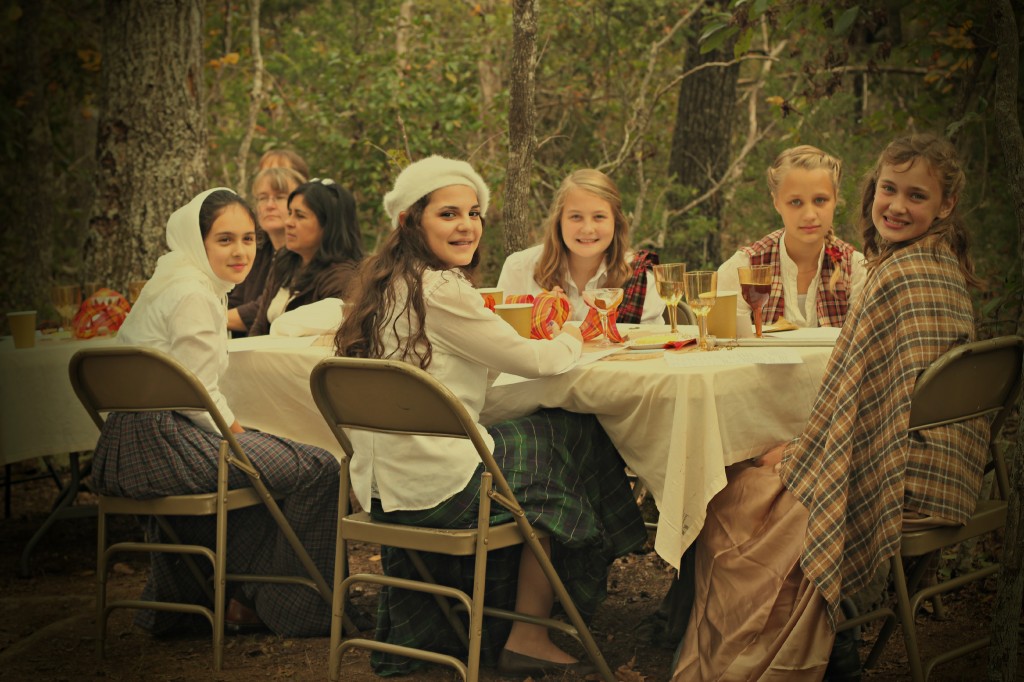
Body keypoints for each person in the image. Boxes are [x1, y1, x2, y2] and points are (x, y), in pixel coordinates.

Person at [672, 134, 988, 681]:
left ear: (945, 206)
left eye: (917, 196)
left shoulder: (890, 274)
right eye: (889, 189)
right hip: (956, 470)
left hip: (905, 478)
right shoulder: (935, 262)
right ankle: (826, 622)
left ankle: (771, 650)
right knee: (759, 478)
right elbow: (871, 395)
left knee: (733, 492)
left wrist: (795, 456)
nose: (896, 205)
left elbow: (855, 400)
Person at [335, 156, 647, 677]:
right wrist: (576, 331)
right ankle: (528, 630)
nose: (467, 226)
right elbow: (535, 360)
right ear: (411, 221)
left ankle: (508, 624)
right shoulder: (441, 291)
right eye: (449, 214)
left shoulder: (386, 284)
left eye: (474, 213)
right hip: (441, 491)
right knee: (566, 441)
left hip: (383, 489)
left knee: (547, 433)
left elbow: (469, 395)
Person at [91, 188, 342, 637]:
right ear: (198, 241)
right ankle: (296, 606)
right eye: (225, 240)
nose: (241, 251)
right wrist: (241, 436)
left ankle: (229, 601)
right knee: (321, 468)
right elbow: (198, 393)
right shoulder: (193, 293)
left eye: (248, 239)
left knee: (274, 466)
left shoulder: (170, 280)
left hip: (126, 444)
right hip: (162, 444)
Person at [717, 145, 867, 328]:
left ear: (835, 199)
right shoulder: (744, 268)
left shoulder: (856, 269)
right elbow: (725, 346)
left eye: (820, 200)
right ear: (777, 203)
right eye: (796, 202)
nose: (810, 215)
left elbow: (864, 349)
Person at [497, 169, 665, 324]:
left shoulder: (641, 277)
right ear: (559, 221)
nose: (587, 229)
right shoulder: (519, 268)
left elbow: (650, 350)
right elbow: (503, 344)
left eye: (599, 216)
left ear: (616, 222)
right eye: (576, 217)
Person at [247, 178, 363, 336]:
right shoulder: (285, 261)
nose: (288, 222)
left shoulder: (342, 278)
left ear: (329, 225)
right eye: (289, 213)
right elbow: (259, 327)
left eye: (300, 216)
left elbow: (327, 345)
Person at [227, 166, 305, 333]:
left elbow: (265, 310)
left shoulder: (305, 253)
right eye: (262, 198)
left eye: (280, 197)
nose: (269, 205)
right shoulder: (258, 248)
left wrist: (209, 318)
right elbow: (235, 298)